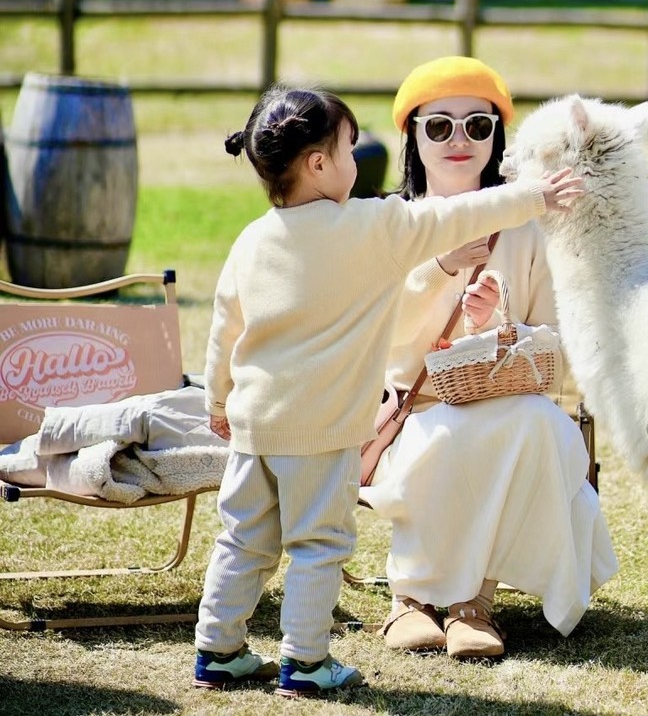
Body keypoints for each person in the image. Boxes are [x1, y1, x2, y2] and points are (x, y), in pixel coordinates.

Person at [193, 83, 582, 697]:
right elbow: (461, 215)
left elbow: (224, 330)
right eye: (350, 148)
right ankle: (307, 662)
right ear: (318, 164)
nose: (359, 160)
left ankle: (218, 649)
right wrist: (538, 194)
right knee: (319, 546)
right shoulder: (372, 227)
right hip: (321, 432)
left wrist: (217, 402)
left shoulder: (252, 239)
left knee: (243, 540)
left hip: (252, 427)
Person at [360, 56, 618, 661]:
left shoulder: (527, 225)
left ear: (495, 137)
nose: (458, 140)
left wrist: (499, 326)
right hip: (410, 408)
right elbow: (371, 341)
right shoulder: (387, 224)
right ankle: (413, 599)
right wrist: (439, 271)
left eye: (477, 126)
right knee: (447, 434)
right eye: (439, 126)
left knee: (536, 425)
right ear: (413, 136)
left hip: (506, 398)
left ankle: (474, 603)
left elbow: (556, 339)